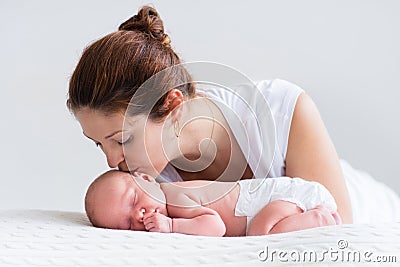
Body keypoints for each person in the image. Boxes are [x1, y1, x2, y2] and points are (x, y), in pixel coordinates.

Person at [68, 6, 400, 225]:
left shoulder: (280, 110)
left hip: (378, 213)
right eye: (99, 145)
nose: (113, 161)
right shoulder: (144, 188)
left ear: (173, 107)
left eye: (122, 139)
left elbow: (335, 227)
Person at [85, 170, 341, 236]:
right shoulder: (168, 199)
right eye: (129, 224)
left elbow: (215, 226)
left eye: (133, 200)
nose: (139, 215)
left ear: (144, 178)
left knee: (261, 233)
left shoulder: (175, 198)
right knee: (262, 231)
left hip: (281, 197)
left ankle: (320, 218)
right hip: (277, 200)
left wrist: (172, 226)